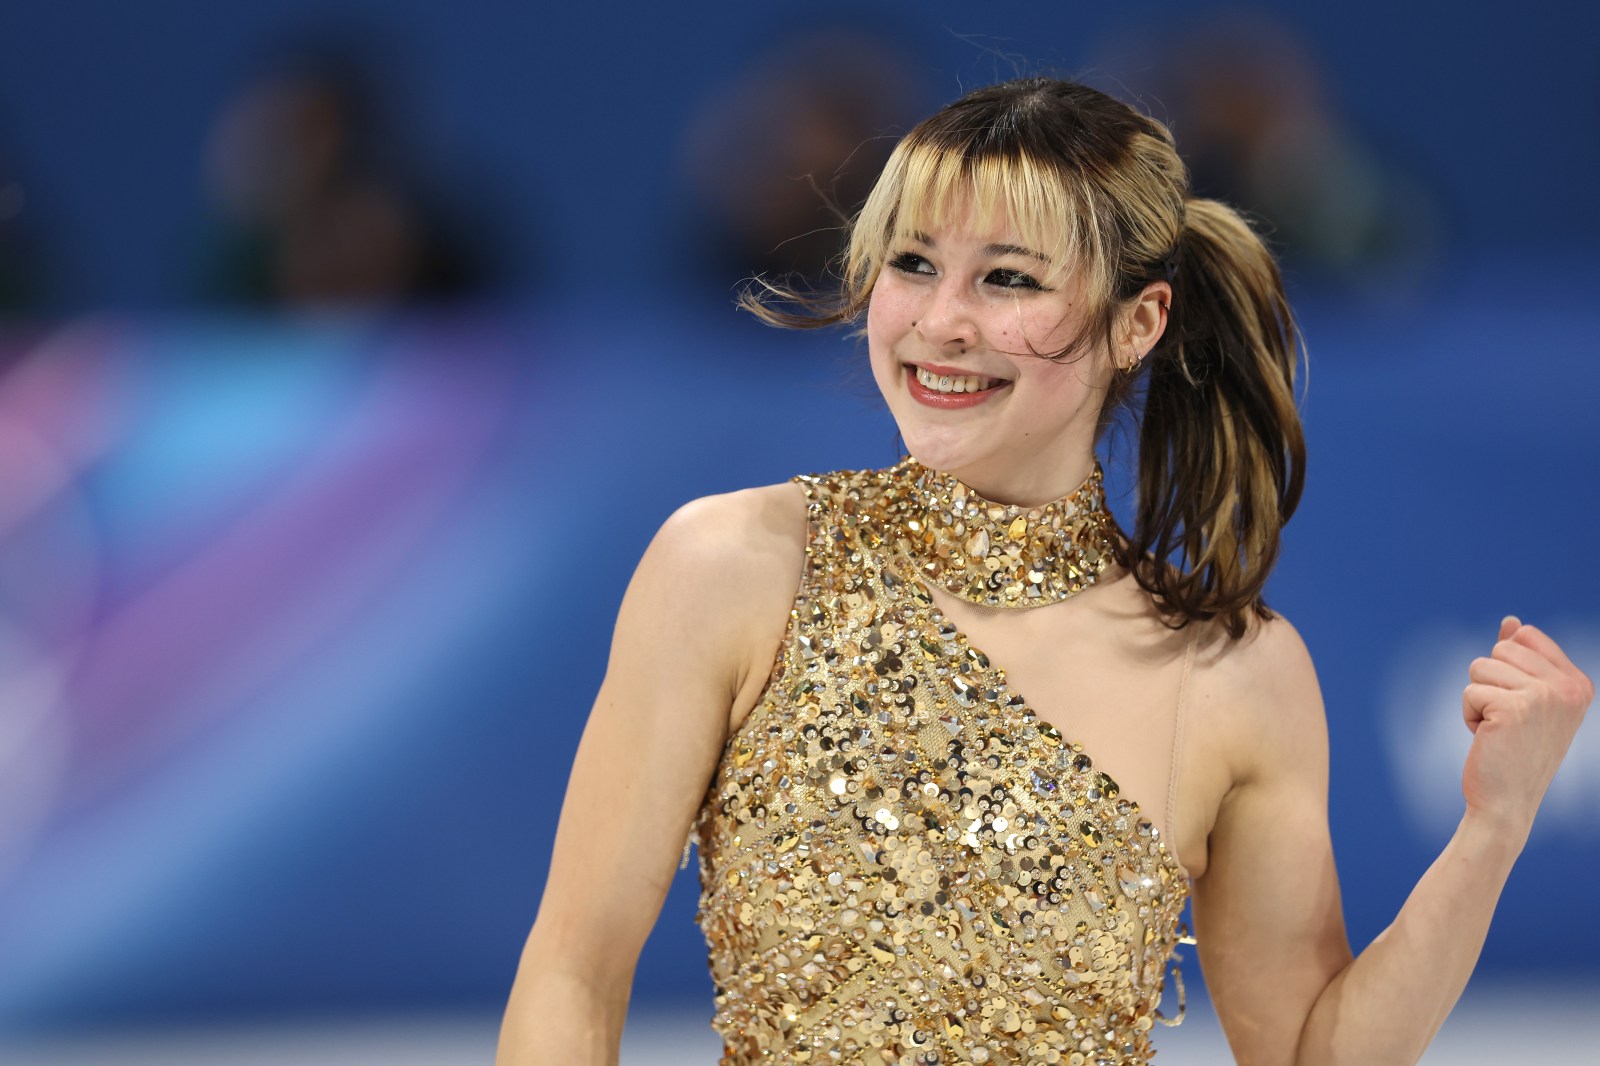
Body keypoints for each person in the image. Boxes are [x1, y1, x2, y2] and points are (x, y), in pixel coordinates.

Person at [495, 77, 1592, 1065]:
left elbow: (1313, 1058)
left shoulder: (1234, 673)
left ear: (1138, 322)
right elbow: (570, 974)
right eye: (913, 263)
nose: (939, 322)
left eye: (1007, 279)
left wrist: (1491, 831)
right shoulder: (735, 567)